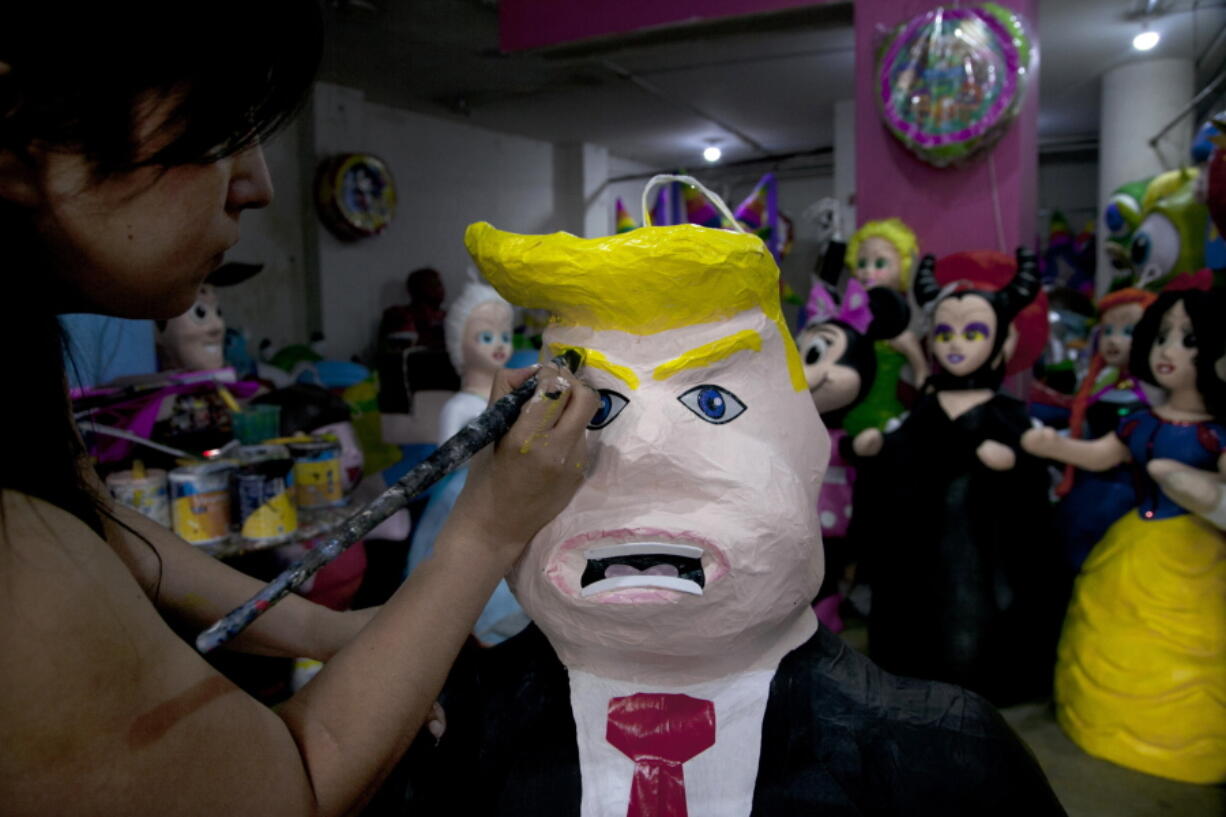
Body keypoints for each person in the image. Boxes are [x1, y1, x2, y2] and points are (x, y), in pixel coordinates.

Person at [0, 5, 597, 816]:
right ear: (18, 128)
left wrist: (330, 633)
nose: (257, 183)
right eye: (219, 128)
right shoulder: (19, 570)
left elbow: (118, 536)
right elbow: (298, 784)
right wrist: (489, 527)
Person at [385, 217, 1066, 816]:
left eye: (713, 402)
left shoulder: (948, 762)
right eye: (605, 406)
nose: (644, 450)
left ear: (805, 446)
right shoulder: (447, 732)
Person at [1022, 289, 1226, 785]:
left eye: (1187, 339)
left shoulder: (1216, 435)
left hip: (1198, 558)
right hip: (1133, 546)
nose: (1167, 350)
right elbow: (1099, 455)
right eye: (1160, 337)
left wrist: (1204, 491)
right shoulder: (1140, 421)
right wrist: (1054, 446)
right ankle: (1097, 718)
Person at [848, 250, 1065, 706]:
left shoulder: (1006, 413)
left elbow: (1034, 502)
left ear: (1002, 342)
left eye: (973, 332)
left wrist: (1014, 463)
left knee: (979, 624)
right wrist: (876, 449)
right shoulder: (928, 407)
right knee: (917, 619)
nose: (955, 344)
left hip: (985, 554)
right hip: (922, 549)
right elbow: (901, 458)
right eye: (944, 332)